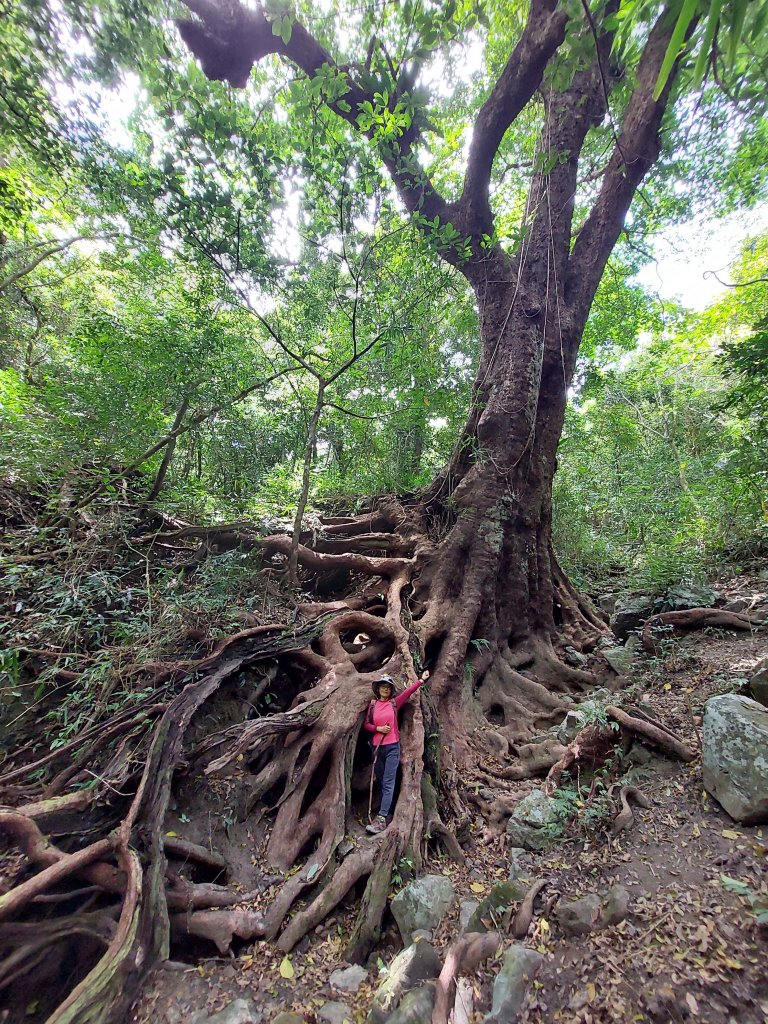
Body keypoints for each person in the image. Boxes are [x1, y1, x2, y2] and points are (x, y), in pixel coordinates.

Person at [363, 669, 430, 834]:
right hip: (377, 748)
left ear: (391, 690)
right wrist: (378, 728)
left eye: (388, 687)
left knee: (388, 781)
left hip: (393, 746)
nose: (385, 689)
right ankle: (389, 810)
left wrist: (421, 680)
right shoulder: (372, 705)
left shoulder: (394, 703)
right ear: (378, 689)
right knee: (380, 780)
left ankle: (381, 819)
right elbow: (366, 725)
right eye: (382, 686)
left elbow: (408, 692)